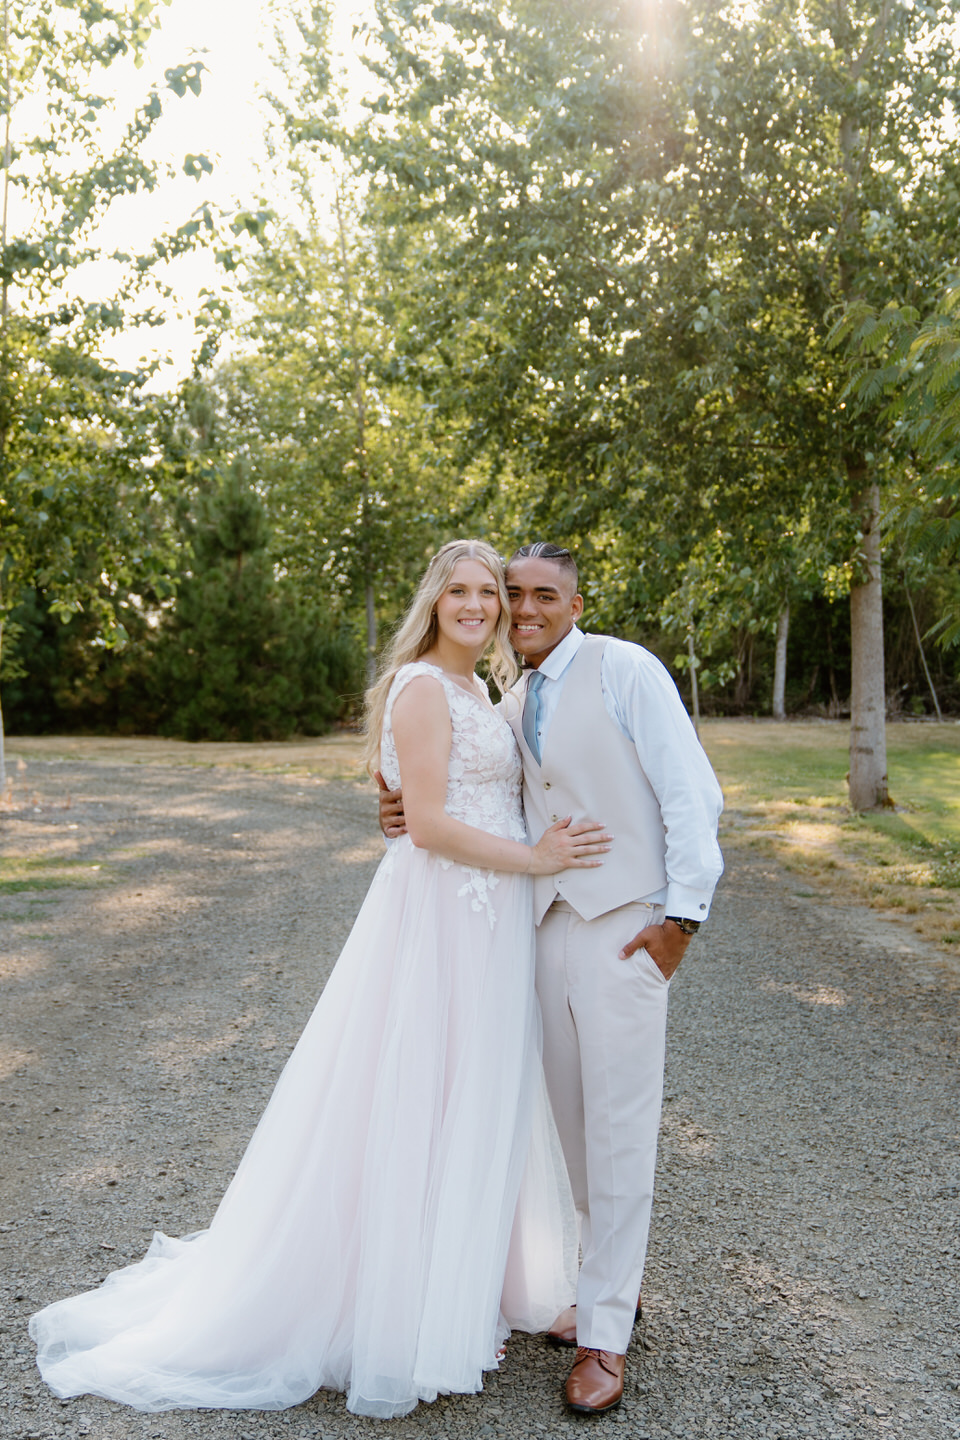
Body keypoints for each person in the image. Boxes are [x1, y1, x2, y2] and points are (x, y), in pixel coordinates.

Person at [30, 539, 612, 1420]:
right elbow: (425, 823)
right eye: (458, 590)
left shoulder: (483, 689)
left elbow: (466, 792)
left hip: (487, 927)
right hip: (444, 921)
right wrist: (536, 860)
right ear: (433, 601)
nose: (476, 605)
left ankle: (460, 1289)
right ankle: (396, 1312)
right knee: (418, 1094)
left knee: (475, 1095)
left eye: (486, 592)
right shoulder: (422, 687)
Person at [379, 541, 724, 1415]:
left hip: (624, 930)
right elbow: (463, 790)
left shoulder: (625, 668)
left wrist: (680, 919)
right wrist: (393, 801)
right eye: (511, 594)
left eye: (539, 595)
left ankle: (606, 1338)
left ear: (575, 601)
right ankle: (610, 1278)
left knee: (619, 1126)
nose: (521, 609)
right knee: (570, 1128)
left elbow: (692, 795)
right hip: (539, 931)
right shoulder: (510, 694)